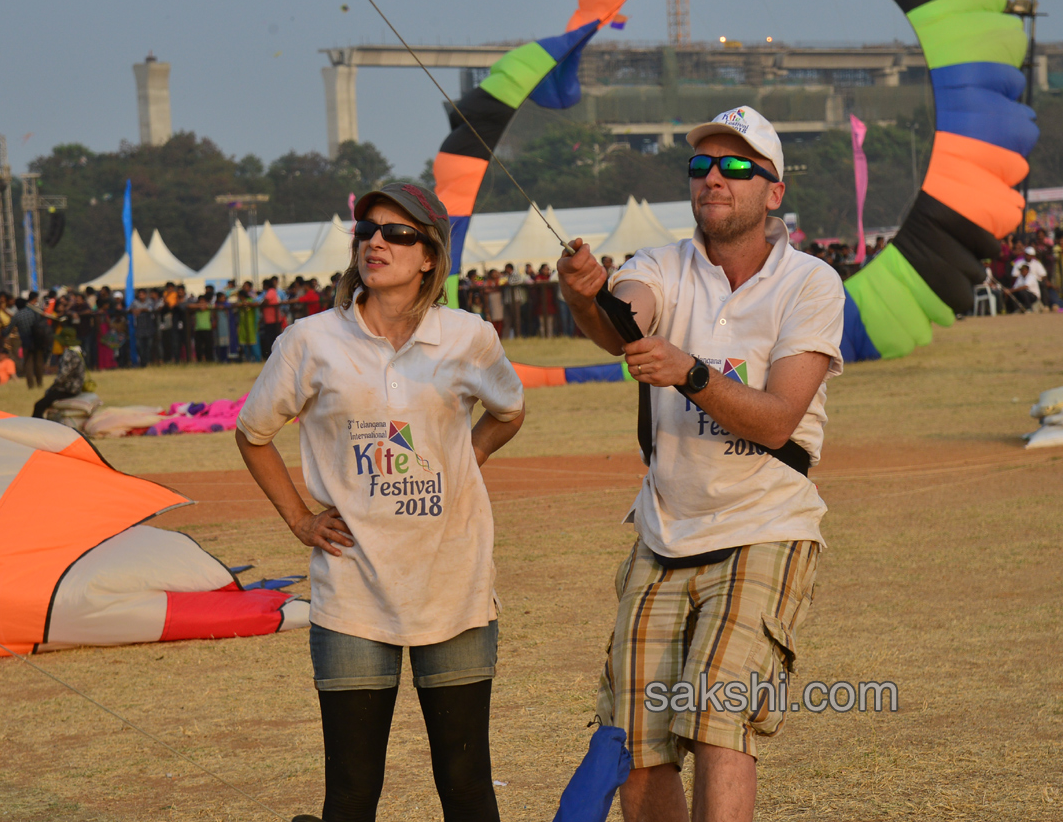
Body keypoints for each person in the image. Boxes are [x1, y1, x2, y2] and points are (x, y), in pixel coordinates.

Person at [558, 106, 844, 822]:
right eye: (702, 166)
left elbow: (779, 416)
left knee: (720, 718)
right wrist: (589, 296)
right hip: (664, 531)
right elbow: (623, 318)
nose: (715, 177)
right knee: (636, 745)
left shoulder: (810, 283)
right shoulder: (662, 265)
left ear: (773, 191)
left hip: (765, 525)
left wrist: (690, 373)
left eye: (738, 166)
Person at [236, 182, 525, 822]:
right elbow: (253, 433)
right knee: (352, 792)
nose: (376, 242)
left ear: (429, 256)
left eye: (398, 232)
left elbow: (510, 410)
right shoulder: (310, 342)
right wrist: (300, 519)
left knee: (467, 784)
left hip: (454, 584)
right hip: (352, 592)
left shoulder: (468, 338)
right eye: (368, 229)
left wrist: (464, 460)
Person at [33, 345, 87, 418]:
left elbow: (63, 375)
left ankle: (36, 425)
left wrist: (53, 387)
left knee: (39, 405)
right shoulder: (79, 352)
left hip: (68, 389)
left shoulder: (69, 354)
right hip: (76, 388)